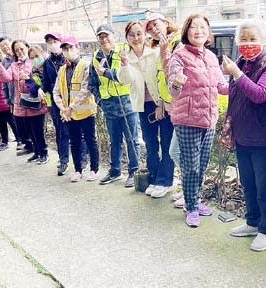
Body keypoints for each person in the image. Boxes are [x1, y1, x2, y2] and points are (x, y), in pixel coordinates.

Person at [221, 20, 266, 250]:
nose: (248, 43)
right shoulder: (241, 63)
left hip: (264, 138)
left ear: (264, 40)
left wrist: (236, 74)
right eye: (244, 39)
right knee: (249, 184)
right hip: (243, 136)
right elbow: (237, 96)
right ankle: (253, 222)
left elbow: (260, 94)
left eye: (252, 38)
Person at [167, 14, 228, 228]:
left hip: (209, 120)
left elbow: (221, 87)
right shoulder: (179, 56)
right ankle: (191, 207)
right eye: (194, 27)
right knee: (190, 166)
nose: (199, 31)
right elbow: (172, 91)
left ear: (208, 32)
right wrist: (176, 83)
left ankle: (195, 200)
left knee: (201, 165)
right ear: (186, 31)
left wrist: (239, 80)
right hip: (188, 120)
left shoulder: (211, 57)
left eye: (203, 27)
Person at [118, 21, 175, 198]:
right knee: (151, 145)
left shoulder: (155, 53)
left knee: (166, 143)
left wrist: (160, 104)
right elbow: (124, 80)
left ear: (145, 35)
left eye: (139, 34)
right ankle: (156, 178)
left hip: (162, 103)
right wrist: (125, 64)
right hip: (143, 106)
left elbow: (163, 79)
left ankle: (166, 181)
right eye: (132, 35)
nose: (136, 38)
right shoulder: (127, 57)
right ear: (127, 38)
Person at [90, 24, 141, 188]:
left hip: (127, 102)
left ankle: (134, 171)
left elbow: (125, 77)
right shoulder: (96, 57)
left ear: (114, 36)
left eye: (107, 35)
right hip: (108, 105)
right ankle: (115, 171)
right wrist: (100, 101)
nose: (104, 39)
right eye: (101, 36)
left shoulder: (124, 51)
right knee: (114, 140)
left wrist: (106, 72)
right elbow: (92, 83)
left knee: (132, 139)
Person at [144, 13, 183, 204]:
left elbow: (177, 74)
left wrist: (170, 102)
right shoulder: (161, 46)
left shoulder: (178, 42)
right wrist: (161, 102)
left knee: (176, 147)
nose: (153, 29)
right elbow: (161, 78)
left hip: (179, 104)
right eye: (150, 28)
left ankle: (167, 182)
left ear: (166, 23)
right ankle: (177, 185)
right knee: (172, 145)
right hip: (167, 104)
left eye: (155, 24)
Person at [0, 39, 50, 165]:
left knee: (38, 130)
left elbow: (41, 80)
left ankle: (44, 153)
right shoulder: (14, 65)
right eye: (16, 50)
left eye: (21, 48)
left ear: (27, 47)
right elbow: (6, 78)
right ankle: (36, 152)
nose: (19, 52)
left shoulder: (34, 62)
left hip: (35, 102)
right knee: (28, 130)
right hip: (21, 104)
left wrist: (29, 79)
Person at [53, 35, 100, 182]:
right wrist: (63, 108)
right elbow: (56, 91)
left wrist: (70, 107)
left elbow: (86, 90)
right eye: (65, 49)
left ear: (77, 48)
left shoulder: (86, 65)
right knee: (74, 141)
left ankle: (94, 169)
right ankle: (78, 169)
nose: (68, 51)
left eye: (70, 48)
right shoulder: (62, 70)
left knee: (90, 140)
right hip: (69, 114)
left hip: (85, 112)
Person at [42, 32, 87, 176]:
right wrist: (41, 90)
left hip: (74, 102)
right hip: (58, 103)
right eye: (49, 42)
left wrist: (70, 105)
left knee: (79, 132)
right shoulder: (47, 62)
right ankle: (63, 161)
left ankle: (82, 158)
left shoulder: (69, 59)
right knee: (61, 132)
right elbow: (46, 81)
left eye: (54, 41)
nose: (52, 44)